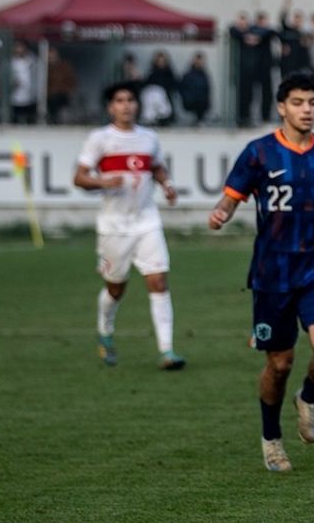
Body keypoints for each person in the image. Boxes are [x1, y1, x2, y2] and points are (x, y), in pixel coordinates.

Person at [207, 71, 314, 473]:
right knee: (279, 364)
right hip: (272, 273)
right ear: (282, 107)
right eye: (299, 103)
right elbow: (232, 197)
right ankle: (271, 439)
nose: (307, 110)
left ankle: (308, 397)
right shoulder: (259, 152)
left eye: (313, 102)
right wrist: (222, 212)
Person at [73, 81, 187, 371]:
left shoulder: (149, 137)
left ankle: (167, 350)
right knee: (116, 288)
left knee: (158, 281)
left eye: (131, 100)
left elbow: (157, 167)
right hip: (114, 226)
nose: (126, 105)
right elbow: (80, 177)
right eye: (120, 101)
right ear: (111, 107)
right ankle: (105, 330)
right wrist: (102, 181)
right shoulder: (100, 138)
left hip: (147, 221)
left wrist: (168, 185)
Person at [142, 50, 178, 126]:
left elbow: (173, 85)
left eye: (162, 60)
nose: (161, 62)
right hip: (152, 95)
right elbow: (147, 84)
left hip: (165, 95)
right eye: (159, 60)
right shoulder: (152, 72)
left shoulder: (169, 72)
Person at [179, 52, 212, 125]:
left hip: (201, 101)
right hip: (190, 100)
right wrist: (187, 97)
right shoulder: (188, 75)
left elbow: (207, 90)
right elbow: (182, 88)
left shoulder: (204, 75)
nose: (199, 63)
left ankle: (199, 120)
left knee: (201, 101)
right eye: (197, 60)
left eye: (200, 61)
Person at [46, 47, 77, 124]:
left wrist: (66, 91)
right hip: (49, 97)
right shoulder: (45, 68)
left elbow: (72, 82)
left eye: (53, 56)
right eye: (49, 57)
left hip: (63, 95)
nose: (51, 59)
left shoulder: (65, 67)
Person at [9, 40, 37, 125]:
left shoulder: (33, 60)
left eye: (21, 47)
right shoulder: (10, 61)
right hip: (14, 95)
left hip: (30, 95)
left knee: (29, 119)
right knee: (15, 119)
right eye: (17, 47)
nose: (19, 49)